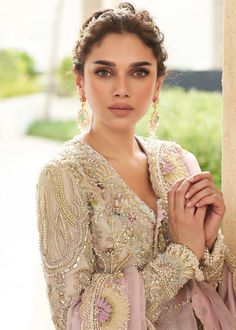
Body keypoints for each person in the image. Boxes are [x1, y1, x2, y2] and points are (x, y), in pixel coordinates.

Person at [36, 2, 236, 329]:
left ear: (157, 84)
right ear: (80, 82)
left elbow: (207, 296)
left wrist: (209, 245)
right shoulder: (62, 177)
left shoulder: (178, 162)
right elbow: (74, 318)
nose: (121, 89)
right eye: (104, 71)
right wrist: (182, 254)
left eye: (139, 72)